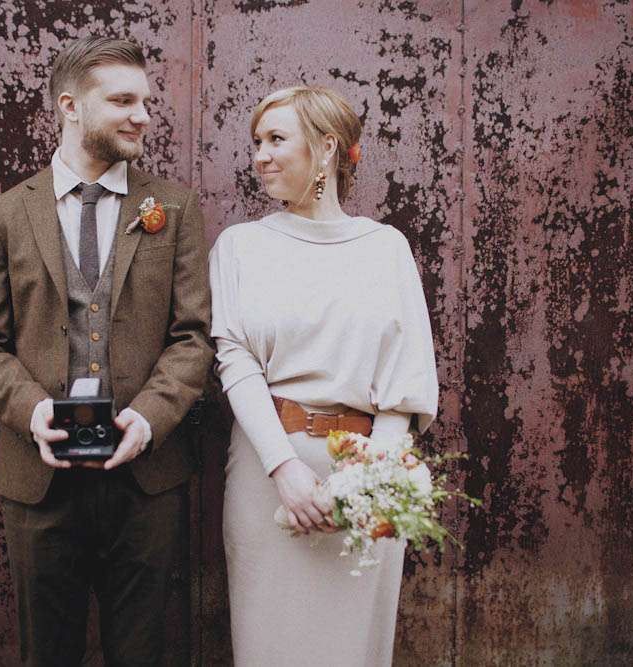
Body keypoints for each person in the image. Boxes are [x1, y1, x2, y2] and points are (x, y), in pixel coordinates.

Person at [0, 36, 213, 666]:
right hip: (39, 480)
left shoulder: (174, 207)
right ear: (70, 106)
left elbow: (192, 337)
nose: (142, 116)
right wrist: (33, 412)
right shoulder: (4, 214)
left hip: (146, 482)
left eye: (146, 101)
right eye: (123, 101)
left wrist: (148, 419)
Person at [209, 85, 439, 665]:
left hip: (367, 477)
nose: (260, 155)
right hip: (268, 476)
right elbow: (235, 361)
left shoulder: (386, 249)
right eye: (256, 142)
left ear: (327, 147)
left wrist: (368, 482)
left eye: (276, 139)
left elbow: (405, 381)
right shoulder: (240, 247)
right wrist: (284, 469)